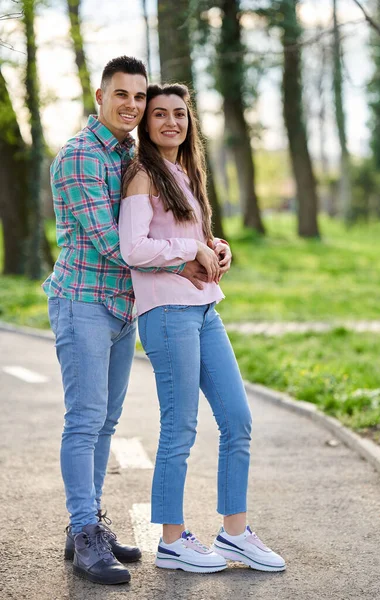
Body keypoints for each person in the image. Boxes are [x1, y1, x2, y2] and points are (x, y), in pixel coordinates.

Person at [43, 56, 209, 585]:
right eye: (122, 95)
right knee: (85, 419)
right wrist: (187, 255)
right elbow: (115, 246)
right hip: (84, 303)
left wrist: (208, 245)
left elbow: (161, 220)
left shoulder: (129, 155)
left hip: (123, 307)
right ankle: (85, 530)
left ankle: (85, 525)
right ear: (100, 96)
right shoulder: (79, 157)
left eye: (140, 97)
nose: (133, 106)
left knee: (107, 423)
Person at [119, 83, 286, 574]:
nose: (171, 122)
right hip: (166, 313)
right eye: (159, 115)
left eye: (179, 114)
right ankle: (172, 541)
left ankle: (235, 534)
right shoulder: (143, 174)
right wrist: (189, 251)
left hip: (205, 308)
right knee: (180, 427)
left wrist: (214, 245)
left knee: (238, 420)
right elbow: (134, 249)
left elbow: (186, 236)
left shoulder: (185, 172)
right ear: (146, 125)